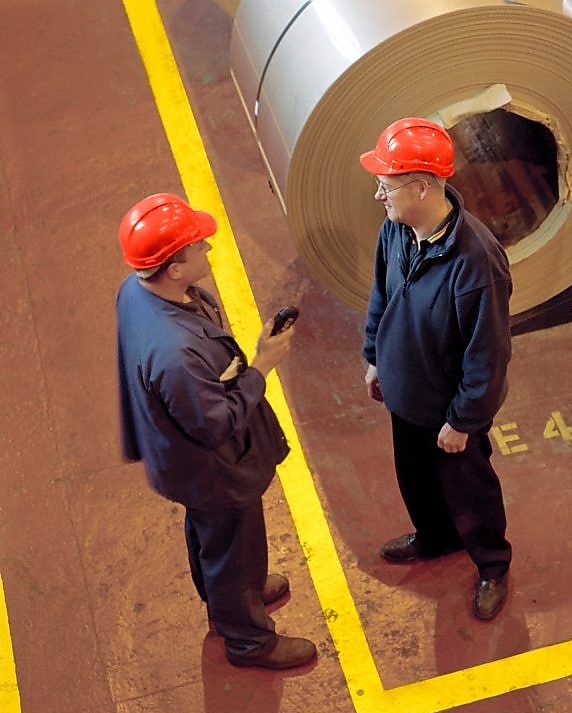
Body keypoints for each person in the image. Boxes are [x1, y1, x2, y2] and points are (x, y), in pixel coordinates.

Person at [115, 193, 316, 669]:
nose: (208, 249)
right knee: (233, 546)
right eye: (198, 247)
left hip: (180, 461)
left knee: (213, 536)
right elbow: (214, 423)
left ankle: (226, 593)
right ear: (174, 269)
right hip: (213, 471)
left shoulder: (136, 289)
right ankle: (248, 639)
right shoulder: (176, 352)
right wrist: (261, 366)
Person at [359, 117, 514, 621]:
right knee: (416, 480)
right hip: (405, 393)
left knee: (469, 489)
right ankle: (435, 537)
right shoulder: (396, 230)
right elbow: (381, 294)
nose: (379, 196)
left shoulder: (475, 261)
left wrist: (464, 420)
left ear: (421, 186)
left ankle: (492, 565)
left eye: (386, 186)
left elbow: (487, 353)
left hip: (450, 411)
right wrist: (374, 356)